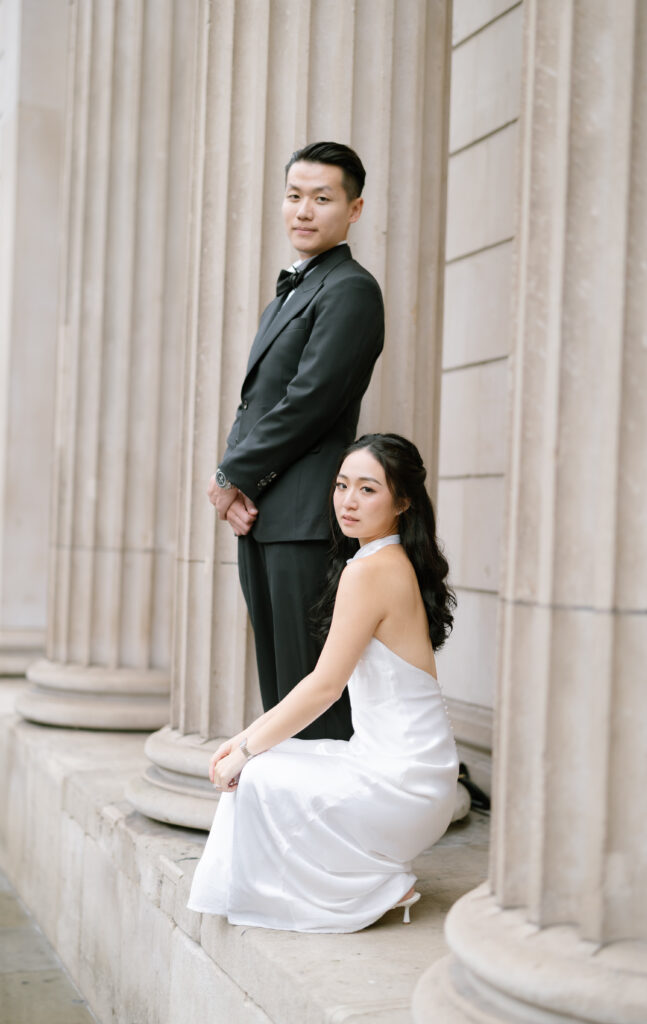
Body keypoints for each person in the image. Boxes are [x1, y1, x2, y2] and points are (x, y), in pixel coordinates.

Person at [188, 434, 459, 933]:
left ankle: (376, 881)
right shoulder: (381, 561)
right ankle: (375, 876)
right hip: (411, 773)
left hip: (403, 784)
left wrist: (244, 749)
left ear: (402, 502)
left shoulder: (374, 570)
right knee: (269, 762)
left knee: (255, 775)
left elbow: (324, 686)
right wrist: (245, 740)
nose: (348, 501)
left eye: (367, 489)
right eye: (341, 485)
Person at [207, 141, 384, 742]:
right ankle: (285, 817)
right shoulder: (288, 292)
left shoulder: (351, 290)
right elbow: (254, 403)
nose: (303, 210)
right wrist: (237, 489)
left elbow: (310, 401)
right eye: (293, 196)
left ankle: (322, 824)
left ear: (354, 209)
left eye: (322, 198)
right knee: (279, 686)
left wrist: (232, 475)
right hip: (265, 512)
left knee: (311, 688)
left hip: (306, 515)